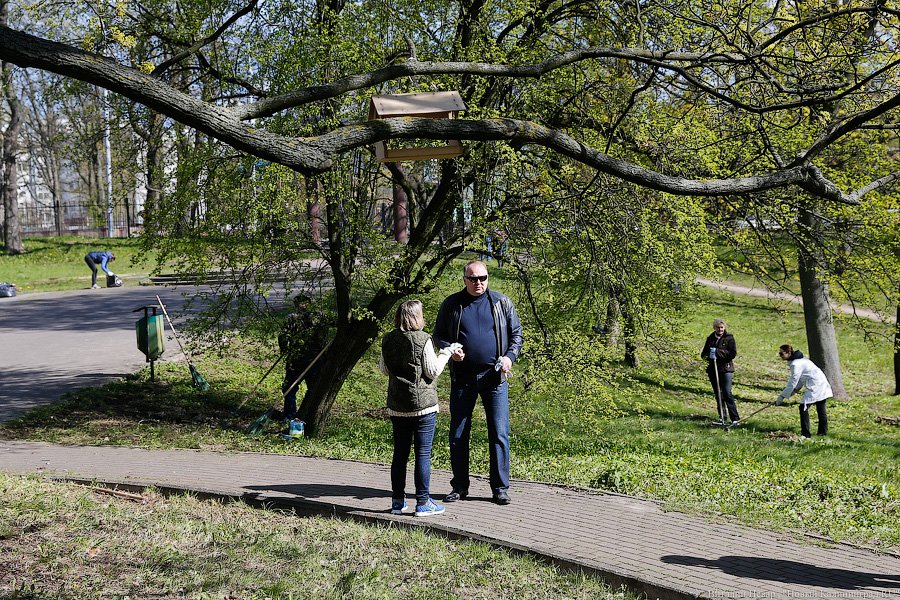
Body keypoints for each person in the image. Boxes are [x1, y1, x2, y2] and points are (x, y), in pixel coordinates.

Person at [434, 260, 523, 505]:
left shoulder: (502, 303)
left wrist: (509, 357)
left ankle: (500, 488)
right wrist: (450, 349)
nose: (478, 283)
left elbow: (517, 335)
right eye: (473, 279)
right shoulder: (452, 304)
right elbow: (438, 335)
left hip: (495, 379)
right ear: (464, 280)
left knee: (499, 433)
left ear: (488, 278)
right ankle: (459, 486)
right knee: (459, 434)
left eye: (482, 278)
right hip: (462, 379)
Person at [379, 300, 458, 517]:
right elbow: (432, 371)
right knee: (422, 453)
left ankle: (397, 502)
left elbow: (384, 370)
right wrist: (446, 353)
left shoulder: (388, 339)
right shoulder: (423, 339)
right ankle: (423, 502)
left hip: (397, 405)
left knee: (400, 454)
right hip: (423, 407)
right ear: (417, 317)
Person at [278, 294, 329, 423]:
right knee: (303, 388)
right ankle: (298, 415)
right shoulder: (319, 316)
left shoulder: (295, 318)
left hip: (305, 358)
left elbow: (282, 336)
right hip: (313, 358)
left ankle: (293, 415)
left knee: (291, 387)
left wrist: (285, 349)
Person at [776, 344, 831, 438]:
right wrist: (793, 392)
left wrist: (782, 396)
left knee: (803, 408)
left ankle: (806, 434)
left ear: (788, 353)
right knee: (820, 408)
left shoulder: (795, 364)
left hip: (816, 386)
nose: (780, 356)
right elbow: (801, 380)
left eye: (781, 353)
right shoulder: (802, 360)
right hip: (821, 384)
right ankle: (822, 433)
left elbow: (793, 381)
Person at [701, 318, 740, 424]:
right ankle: (722, 416)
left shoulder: (729, 338)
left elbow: (732, 354)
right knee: (718, 393)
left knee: (727, 393)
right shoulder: (710, 338)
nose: (720, 329)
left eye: (722, 327)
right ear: (714, 328)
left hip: (726, 369)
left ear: (724, 328)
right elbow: (703, 354)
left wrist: (717, 352)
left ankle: (735, 419)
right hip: (713, 370)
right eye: (718, 327)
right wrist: (709, 355)